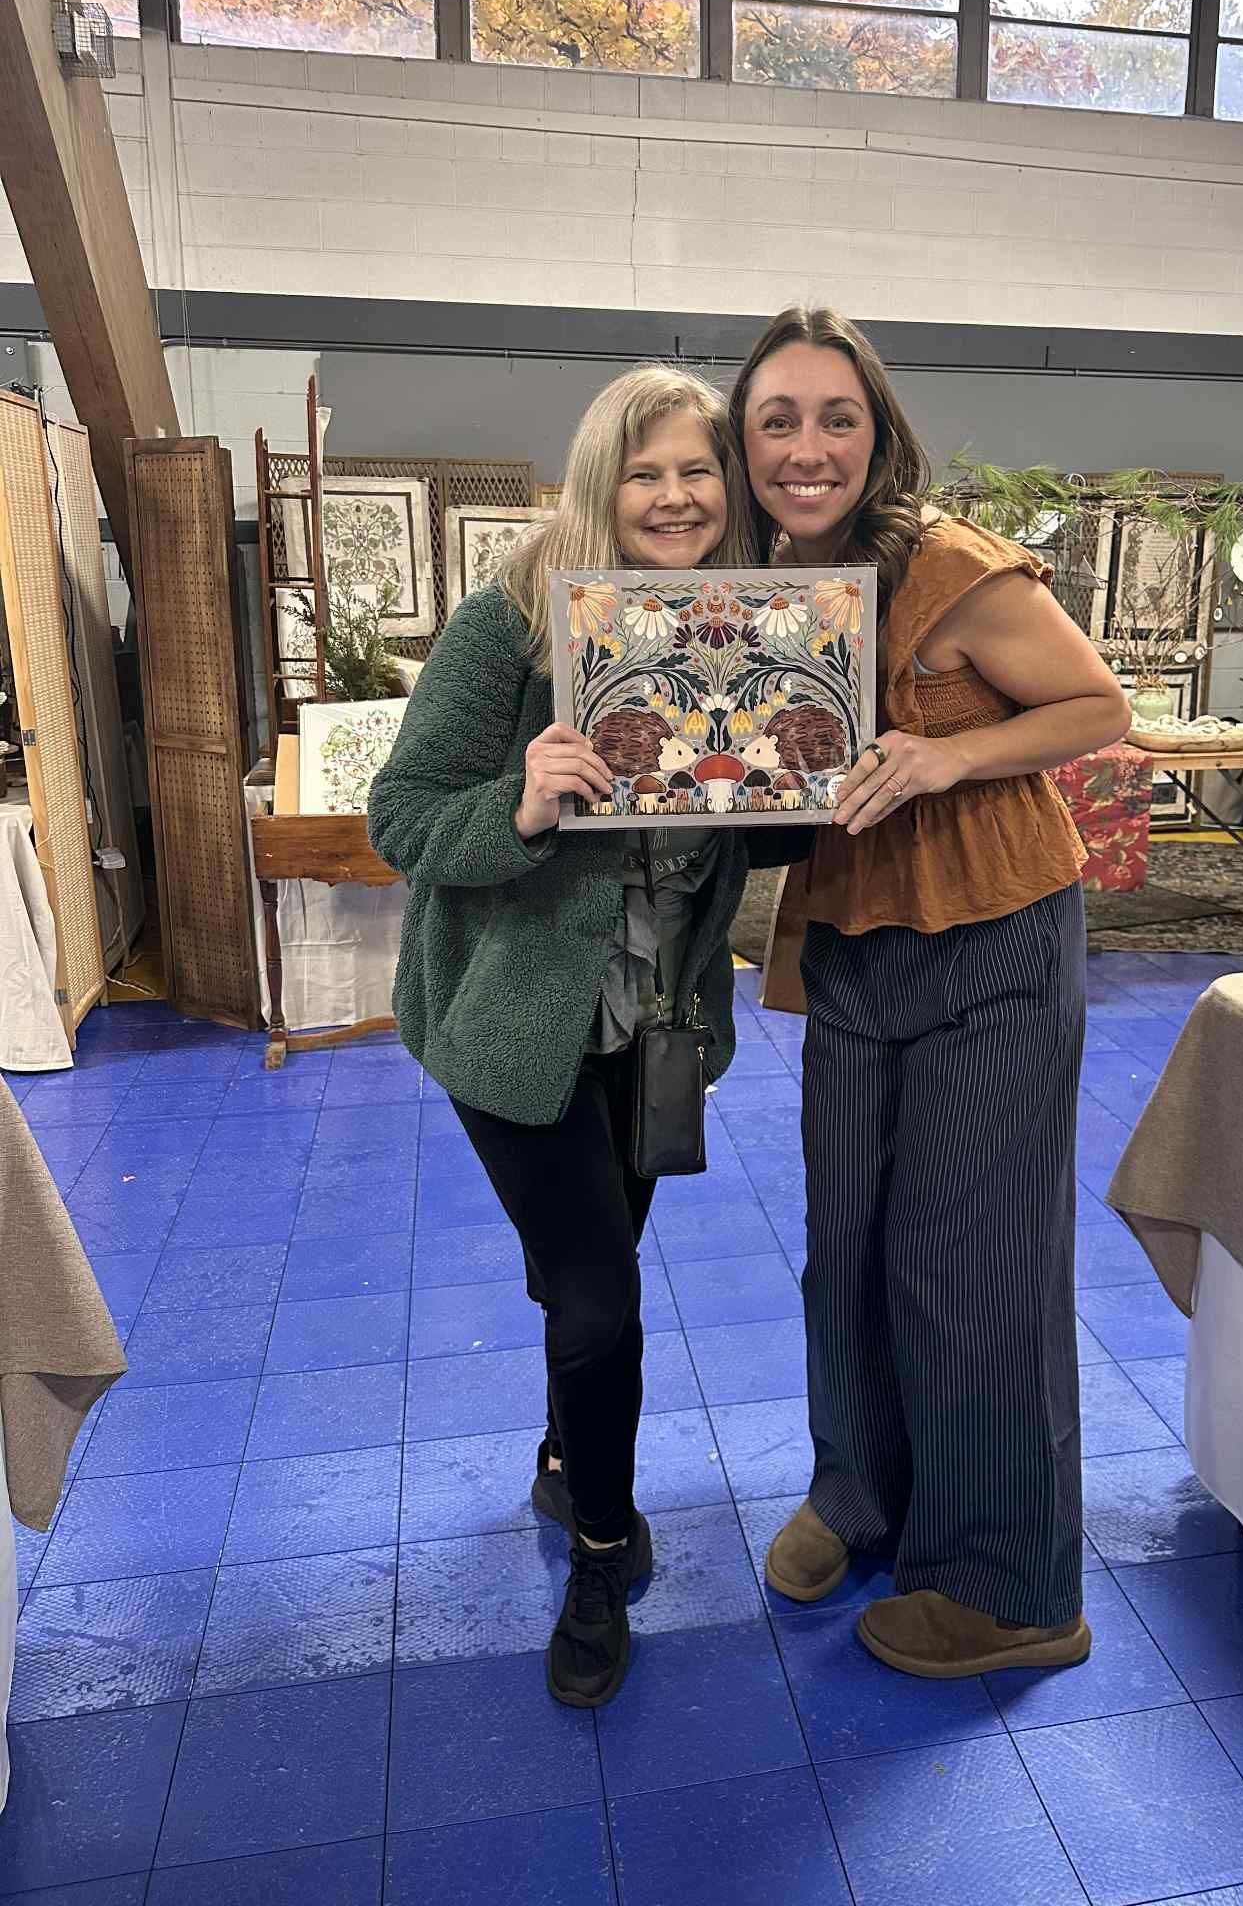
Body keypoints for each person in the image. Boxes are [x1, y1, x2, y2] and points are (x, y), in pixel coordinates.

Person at [368, 364, 784, 1709]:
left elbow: (752, 823)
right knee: (600, 1296)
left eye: (698, 470)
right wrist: (524, 800)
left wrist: (820, 764)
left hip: (658, 1031)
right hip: (515, 1033)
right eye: (646, 470)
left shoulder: (753, 621)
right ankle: (601, 1551)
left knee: (587, 1276)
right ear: (604, 478)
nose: (674, 496)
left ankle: (563, 1458)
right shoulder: (516, 619)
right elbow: (403, 814)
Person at [729, 307, 1131, 1680]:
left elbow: (1095, 709)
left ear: (876, 429)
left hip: (998, 937)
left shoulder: (946, 565)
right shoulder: (765, 582)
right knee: (850, 1244)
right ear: (744, 440)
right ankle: (863, 1497)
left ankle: (1011, 1587)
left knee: (973, 1261)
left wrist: (951, 759)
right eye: (777, 419)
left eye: (834, 416)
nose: (806, 445)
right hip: (856, 937)